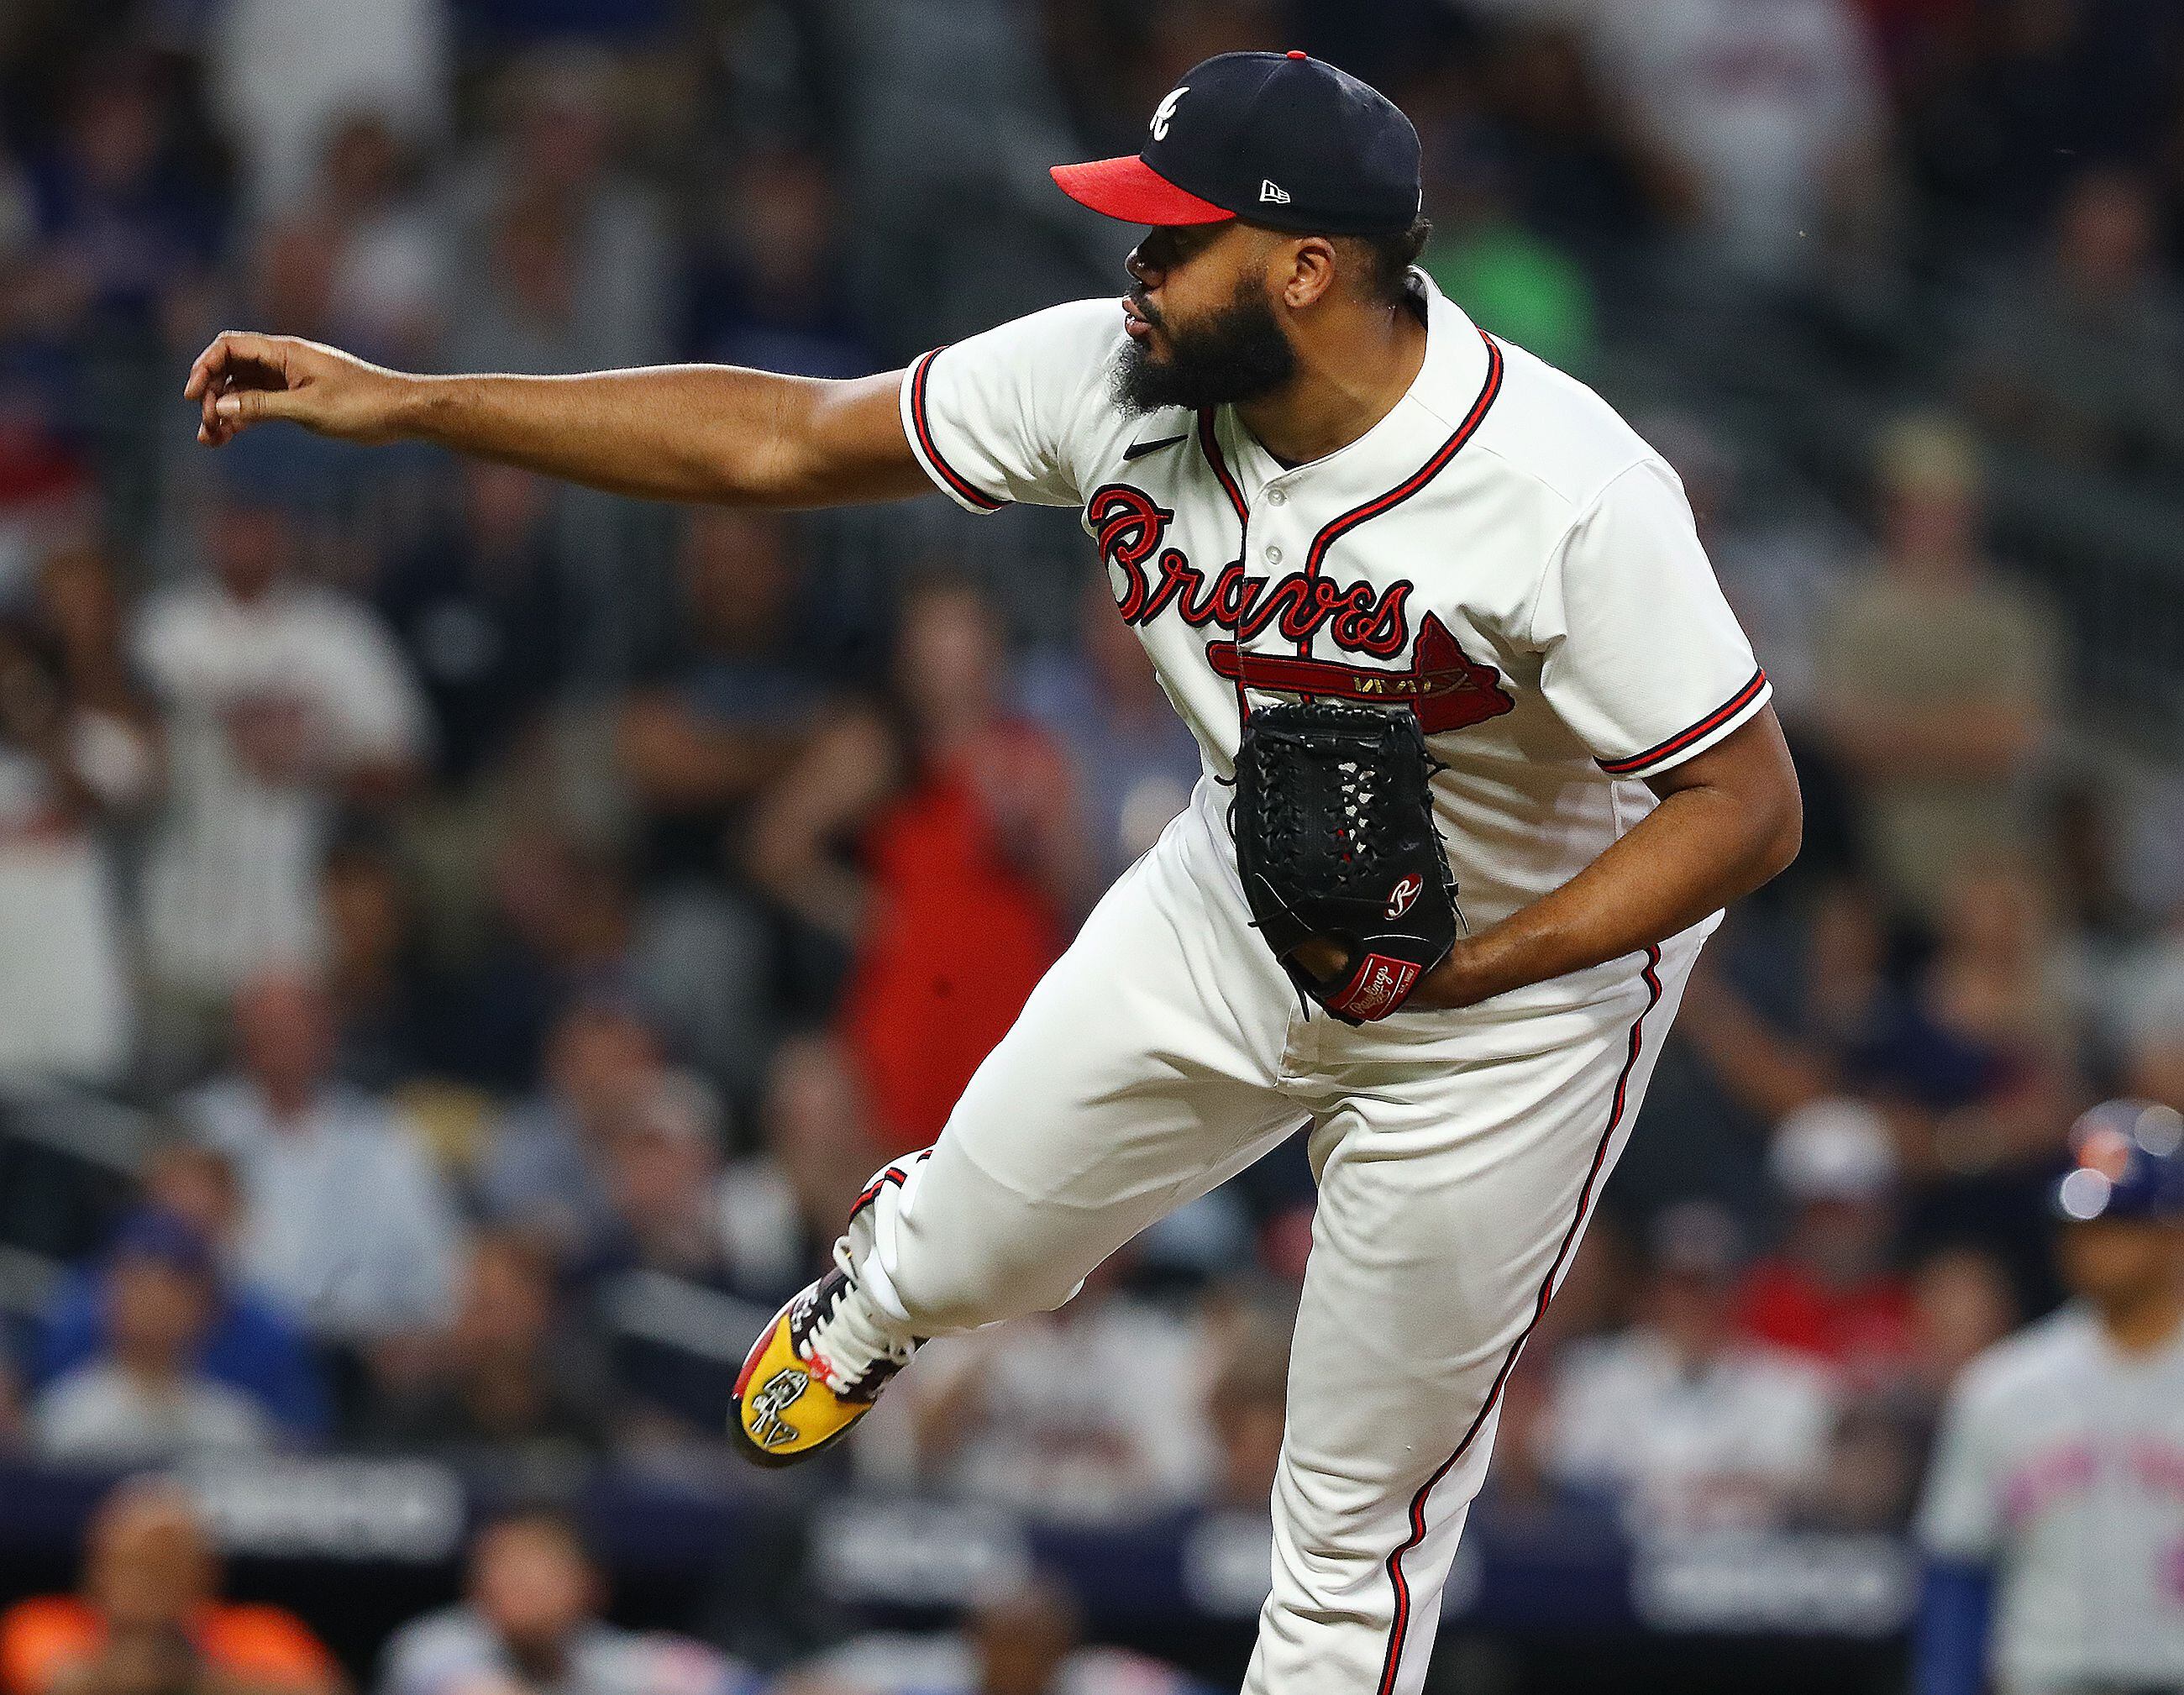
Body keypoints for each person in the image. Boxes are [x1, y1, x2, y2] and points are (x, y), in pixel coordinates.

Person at [186, 49, 1802, 1694]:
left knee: (1351, 1532)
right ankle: (883, 1287)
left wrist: (1473, 971)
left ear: (1309, 268)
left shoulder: (1567, 489)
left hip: (1515, 997)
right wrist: (416, 401)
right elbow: (779, 440)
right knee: (977, 1252)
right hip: (1242, 888)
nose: (1136, 266)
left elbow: (1746, 805)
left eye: (1179, 236)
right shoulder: (1108, 373)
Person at [1916, 1100, 2184, 1695]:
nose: (2094, 1247)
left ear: (2175, 1234)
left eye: (2121, 1226)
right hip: (2047, 1678)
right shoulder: (2002, 1387)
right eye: (2083, 1227)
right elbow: (1958, 1568)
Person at [0, 1479, 339, 1695]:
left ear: (207, 1575)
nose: (143, 1584)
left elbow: (320, 1690)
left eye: (164, 1567)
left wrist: (182, 1673)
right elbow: (59, 1683)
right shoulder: (39, 1622)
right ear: (94, 1569)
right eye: (129, 1564)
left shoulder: (258, 1630)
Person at [376, 1508, 753, 1695]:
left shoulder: (606, 1656)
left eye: (543, 1571)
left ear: (590, 1587)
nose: (524, 1589)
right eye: (508, 1570)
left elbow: (740, 1686)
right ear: (475, 1586)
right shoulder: (428, 1648)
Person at [29, 1213, 278, 1467]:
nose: (155, 1304)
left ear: (205, 1307)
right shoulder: (67, 1419)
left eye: (174, 1289)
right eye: (138, 1286)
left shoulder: (235, 1427)